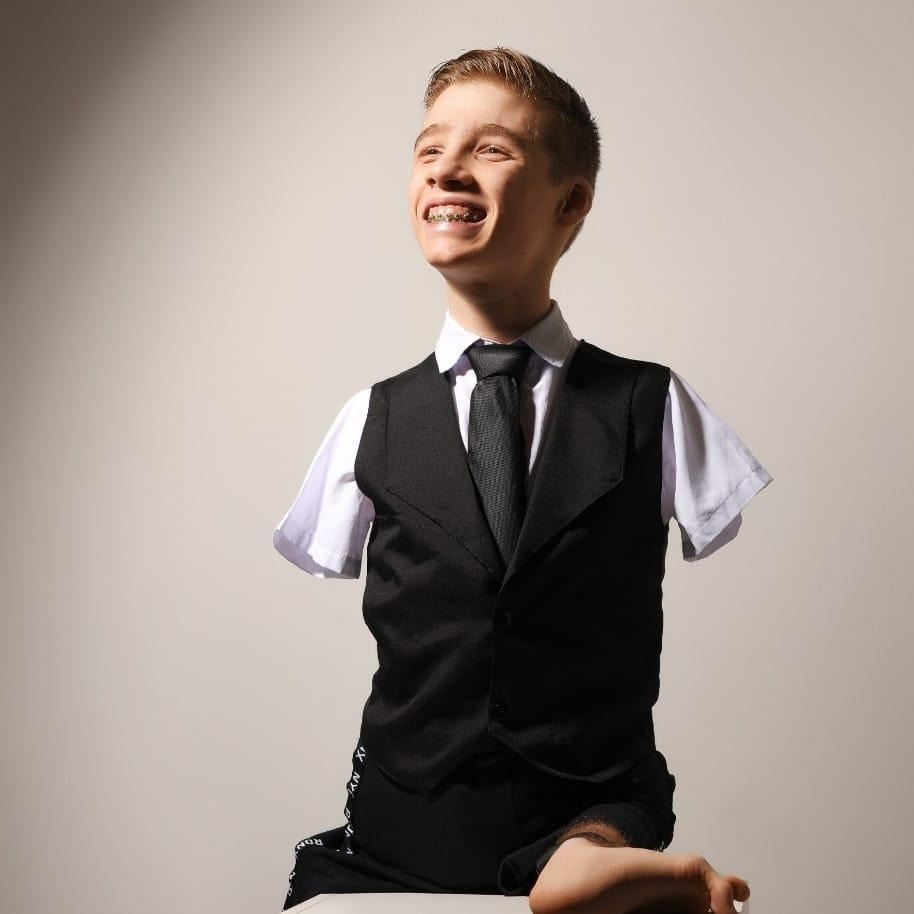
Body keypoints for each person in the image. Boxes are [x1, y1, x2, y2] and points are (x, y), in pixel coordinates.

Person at [274, 48, 770, 914]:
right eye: (430, 150)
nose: (448, 170)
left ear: (570, 202)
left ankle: (586, 859)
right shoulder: (370, 419)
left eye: (491, 149)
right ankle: (578, 869)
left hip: (590, 801)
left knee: (605, 822)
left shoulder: (652, 405)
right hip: (405, 830)